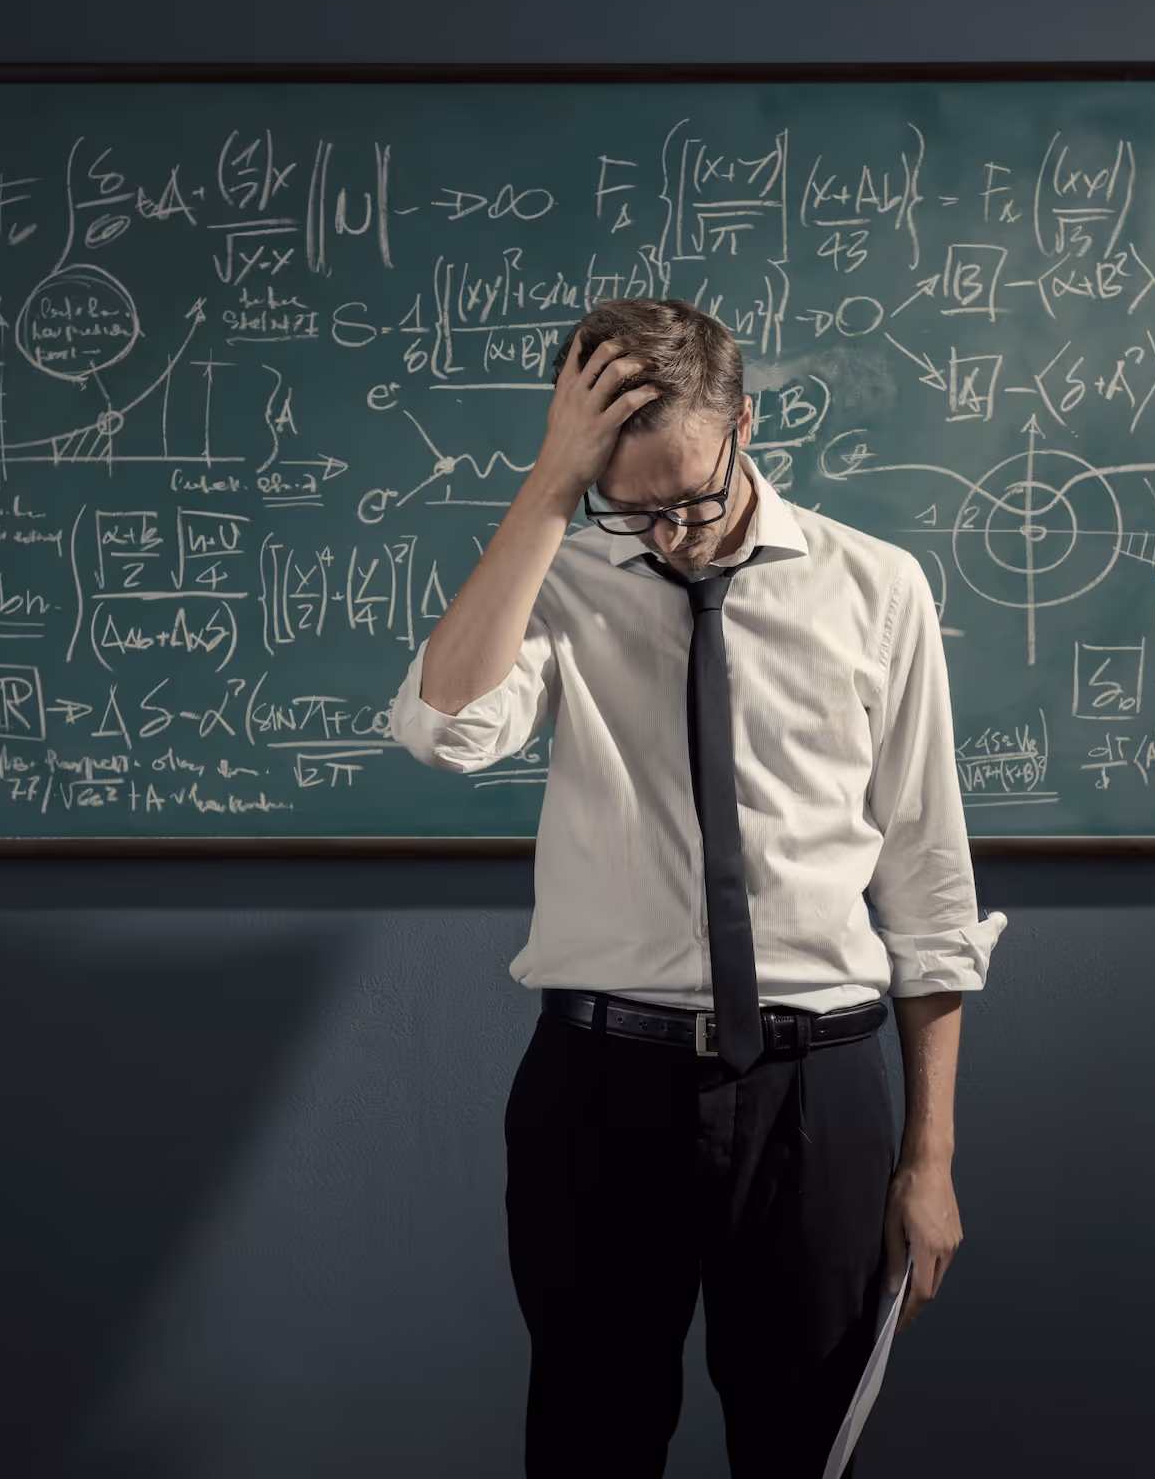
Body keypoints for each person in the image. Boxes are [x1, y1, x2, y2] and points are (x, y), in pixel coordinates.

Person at [387, 296, 1005, 1478]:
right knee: (588, 1444)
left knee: (809, 1449)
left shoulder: (877, 591)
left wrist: (929, 1160)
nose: (669, 535)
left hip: (818, 1092)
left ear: (747, 426)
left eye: (695, 498)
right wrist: (552, 493)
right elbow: (441, 731)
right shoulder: (558, 583)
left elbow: (928, 891)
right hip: (599, 1090)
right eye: (634, 507)